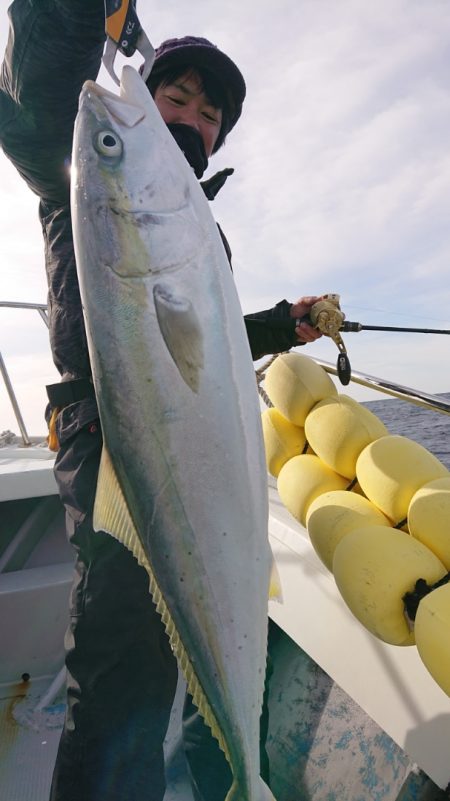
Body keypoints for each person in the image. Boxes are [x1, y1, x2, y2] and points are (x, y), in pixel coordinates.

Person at [0, 3, 322, 800]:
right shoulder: (83, 182)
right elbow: (41, 101)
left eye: (209, 115)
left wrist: (286, 323)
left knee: (199, 637)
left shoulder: (195, 224)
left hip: (195, 444)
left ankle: (236, 775)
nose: (190, 118)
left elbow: (200, 345)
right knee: (122, 671)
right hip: (111, 438)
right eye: (175, 97)